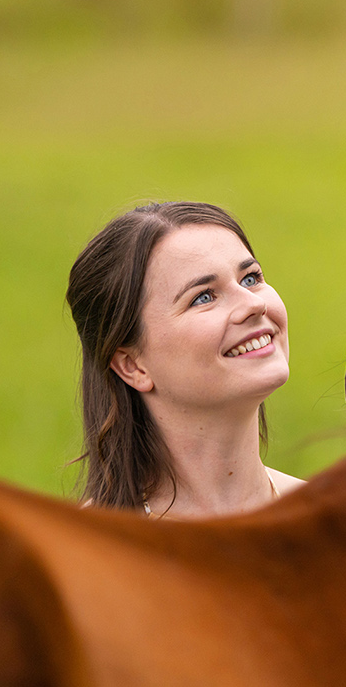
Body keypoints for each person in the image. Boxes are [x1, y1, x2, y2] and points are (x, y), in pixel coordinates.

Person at [67, 201, 304, 519]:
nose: (253, 304)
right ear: (132, 366)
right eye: (204, 296)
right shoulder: (91, 551)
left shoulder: (339, 522)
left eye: (250, 278)